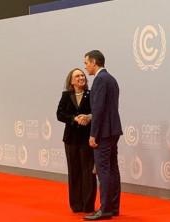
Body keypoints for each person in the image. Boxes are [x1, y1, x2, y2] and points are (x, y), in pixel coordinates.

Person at [83, 50, 123, 221]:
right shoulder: (111, 79)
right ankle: (113, 207)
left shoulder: (99, 80)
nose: (85, 67)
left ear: (93, 62)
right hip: (113, 130)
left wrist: (93, 134)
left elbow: (98, 110)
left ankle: (105, 209)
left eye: (86, 63)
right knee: (113, 168)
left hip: (104, 132)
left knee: (103, 170)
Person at [57, 68, 97, 213]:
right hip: (71, 139)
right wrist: (74, 118)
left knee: (88, 172)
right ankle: (76, 205)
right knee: (74, 171)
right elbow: (60, 114)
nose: (81, 77)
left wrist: (88, 117)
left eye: (82, 75)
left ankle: (88, 205)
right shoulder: (66, 95)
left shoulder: (91, 94)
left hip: (87, 139)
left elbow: (97, 112)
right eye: (77, 76)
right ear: (71, 81)